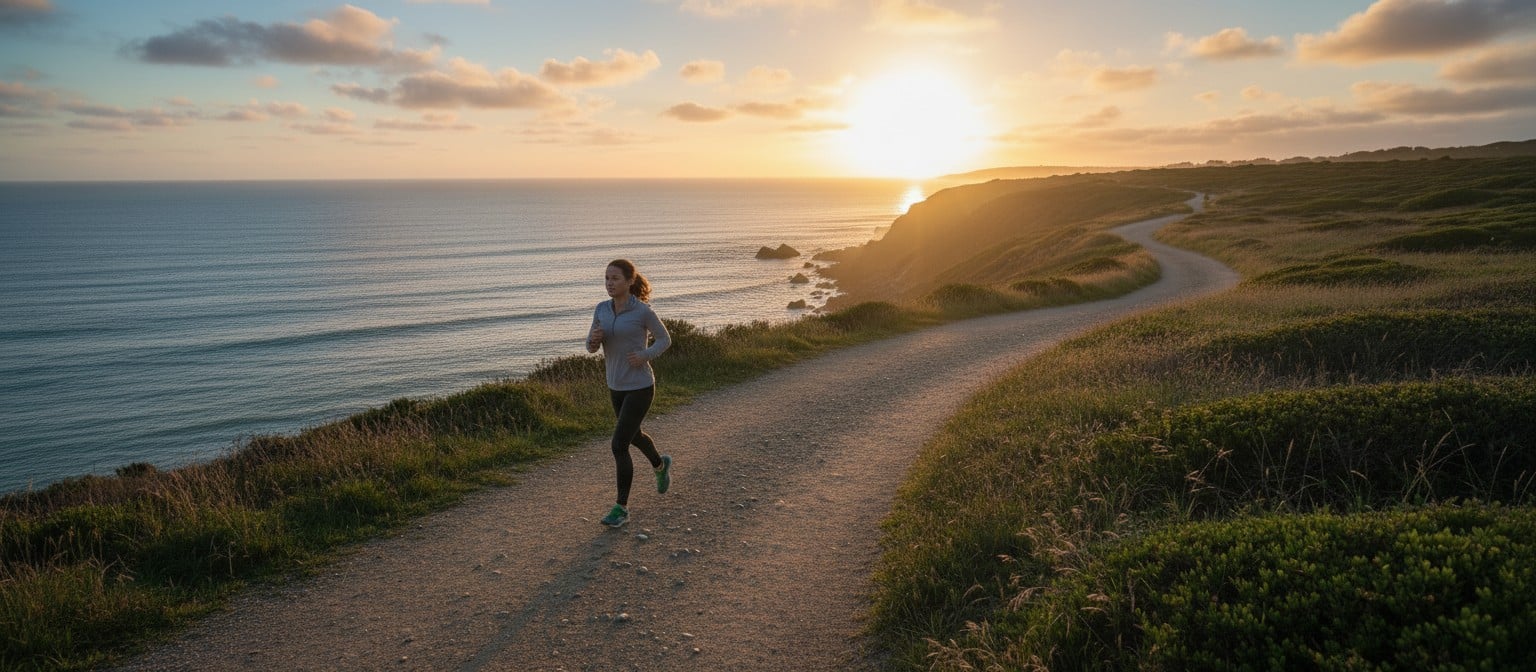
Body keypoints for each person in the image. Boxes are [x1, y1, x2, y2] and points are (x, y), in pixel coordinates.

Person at [585, 259, 673, 528]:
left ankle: (621, 508)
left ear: (629, 281)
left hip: (640, 386)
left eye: (615, 278)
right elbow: (589, 347)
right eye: (607, 278)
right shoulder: (601, 309)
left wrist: (644, 355)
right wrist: (594, 341)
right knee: (633, 435)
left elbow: (665, 339)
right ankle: (660, 465)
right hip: (616, 386)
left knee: (619, 444)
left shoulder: (642, 311)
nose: (610, 283)